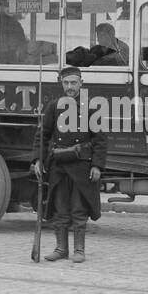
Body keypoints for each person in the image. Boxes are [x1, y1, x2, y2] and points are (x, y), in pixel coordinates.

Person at [32, 66, 106, 264]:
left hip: (82, 167)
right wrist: (38, 160)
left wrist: (97, 166)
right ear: (61, 84)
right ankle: (61, 249)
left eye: (74, 83)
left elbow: (99, 140)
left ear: (81, 83)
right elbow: (42, 136)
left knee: (79, 210)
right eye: (66, 83)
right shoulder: (53, 106)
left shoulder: (91, 108)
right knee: (60, 209)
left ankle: (79, 250)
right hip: (58, 166)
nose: (70, 87)